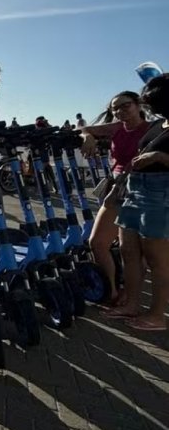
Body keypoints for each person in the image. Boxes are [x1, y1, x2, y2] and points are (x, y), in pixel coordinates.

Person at [102, 75, 169, 331]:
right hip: (135, 189)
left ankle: (157, 315)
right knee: (128, 251)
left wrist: (160, 156)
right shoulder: (160, 124)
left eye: (153, 103)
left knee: (157, 259)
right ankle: (131, 303)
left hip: (159, 194)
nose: (150, 108)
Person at [80, 91, 150, 305]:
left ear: (139, 105)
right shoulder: (117, 128)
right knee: (98, 242)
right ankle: (111, 290)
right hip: (117, 188)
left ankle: (130, 296)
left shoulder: (152, 129)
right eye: (115, 108)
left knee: (134, 250)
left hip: (143, 189)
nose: (120, 111)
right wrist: (88, 137)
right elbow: (83, 129)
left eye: (125, 105)